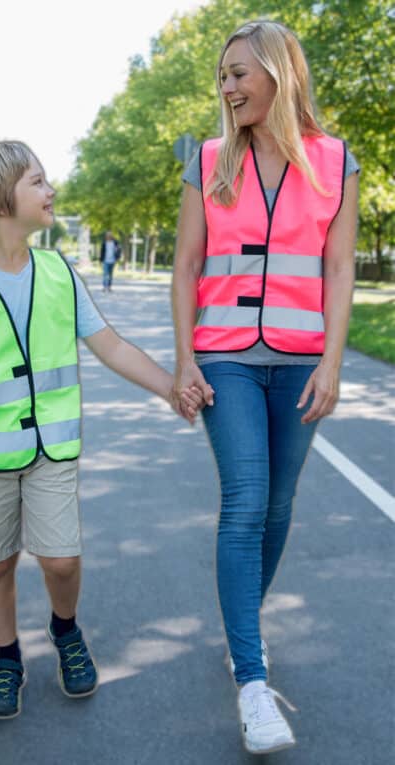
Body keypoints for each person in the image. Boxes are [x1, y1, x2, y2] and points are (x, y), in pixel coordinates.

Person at [0, 140, 203, 721]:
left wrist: (172, 385)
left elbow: (112, 346)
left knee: (61, 561)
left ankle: (66, 630)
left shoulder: (57, 271)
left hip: (53, 451)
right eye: (38, 182)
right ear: (3, 200)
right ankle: (7, 660)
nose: (51, 192)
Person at [171, 20, 358, 755]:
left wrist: (334, 361)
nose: (228, 86)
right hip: (226, 360)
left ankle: (240, 625)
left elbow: (339, 269)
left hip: (302, 358)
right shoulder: (208, 159)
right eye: (223, 75)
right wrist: (185, 358)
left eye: (240, 72)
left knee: (279, 505)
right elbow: (186, 265)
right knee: (245, 500)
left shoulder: (334, 160)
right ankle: (252, 680)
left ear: (281, 73)